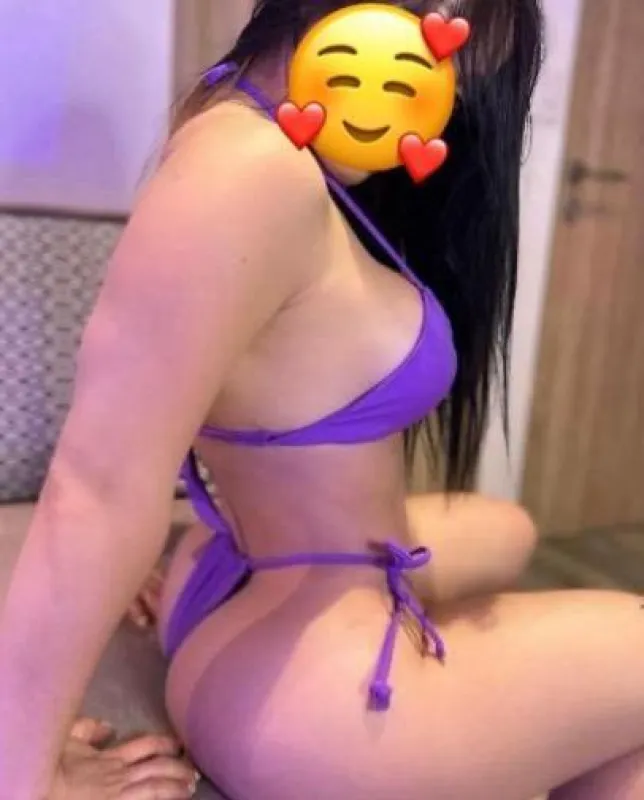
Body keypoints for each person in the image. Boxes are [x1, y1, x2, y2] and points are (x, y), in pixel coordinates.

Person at [4, 1, 644, 798]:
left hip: (240, 582)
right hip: (303, 690)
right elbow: (94, 487)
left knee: (506, 529)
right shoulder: (251, 168)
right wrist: (22, 773)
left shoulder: (248, 137)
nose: (448, 103)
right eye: (451, 55)